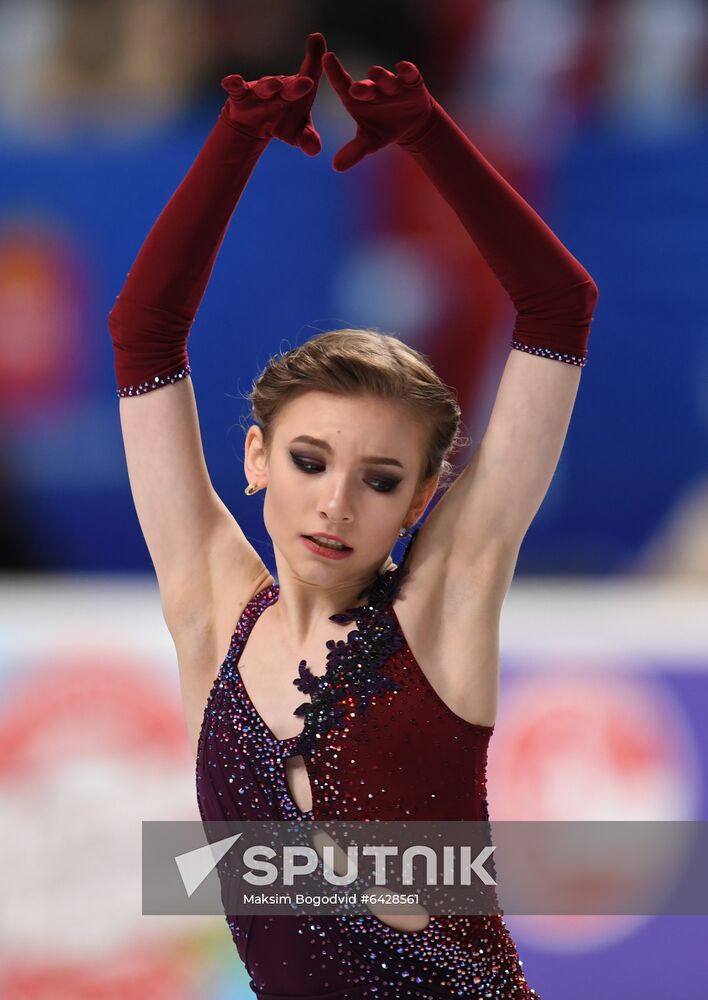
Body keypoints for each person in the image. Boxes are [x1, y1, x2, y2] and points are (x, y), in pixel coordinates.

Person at [109, 31, 596, 1000]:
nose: (335, 501)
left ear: (421, 499)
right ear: (255, 459)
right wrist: (238, 136)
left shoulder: (439, 613)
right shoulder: (211, 611)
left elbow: (556, 307)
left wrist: (429, 133)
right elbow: (142, 331)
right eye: (308, 460)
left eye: (379, 480)